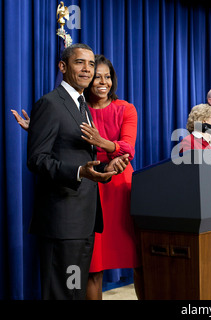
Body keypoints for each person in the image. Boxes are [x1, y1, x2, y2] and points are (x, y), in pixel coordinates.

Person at [26, 44, 130, 299]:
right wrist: (79, 172)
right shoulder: (50, 104)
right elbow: (37, 159)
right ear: (63, 66)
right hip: (61, 220)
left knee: (74, 292)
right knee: (62, 293)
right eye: (79, 63)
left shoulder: (82, 105)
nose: (87, 69)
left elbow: (82, 157)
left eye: (91, 64)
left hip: (84, 220)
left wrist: (107, 166)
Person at [80, 54, 141, 300]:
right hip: (90, 186)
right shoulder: (79, 109)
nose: (102, 82)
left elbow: (128, 149)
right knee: (93, 266)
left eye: (107, 77)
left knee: (139, 260)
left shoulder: (126, 108)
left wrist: (102, 143)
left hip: (122, 188)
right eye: (97, 77)